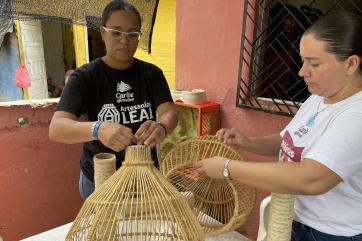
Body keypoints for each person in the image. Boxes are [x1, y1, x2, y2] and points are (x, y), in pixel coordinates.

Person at [194, 12, 362, 241]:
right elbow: (288, 140)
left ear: (351, 64)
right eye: (303, 61)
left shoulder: (356, 114)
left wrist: (227, 168)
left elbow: (312, 178)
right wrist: (248, 142)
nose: (302, 72)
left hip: (333, 233)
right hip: (297, 219)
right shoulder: (319, 97)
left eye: (314, 63)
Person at [49, 1, 178, 200]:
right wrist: (98, 129)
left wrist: (162, 126)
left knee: (143, 226)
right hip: (100, 177)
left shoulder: (151, 74)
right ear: (102, 32)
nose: (124, 41)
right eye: (116, 32)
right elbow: (57, 128)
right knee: (104, 228)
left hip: (144, 174)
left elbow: (170, 113)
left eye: (132, 34)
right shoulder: (85, 77)